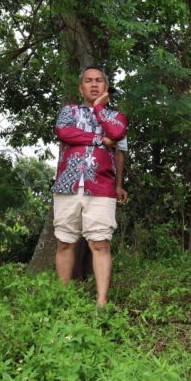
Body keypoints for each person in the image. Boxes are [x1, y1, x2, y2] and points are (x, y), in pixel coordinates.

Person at [52, 66, 128, 306]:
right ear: (80, 87)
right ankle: (63, 299)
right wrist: (99, 140)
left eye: (99, 81)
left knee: (100, 243)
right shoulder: (69, 111)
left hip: (102, 187)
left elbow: (117, 140)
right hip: (68, 185)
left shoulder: (116, 117)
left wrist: (99, 109)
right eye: (88, 81)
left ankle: (102, 302)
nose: (94, 85)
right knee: (65, 242)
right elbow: (64, 132)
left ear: (106, 87)